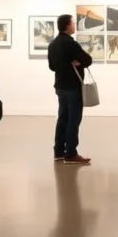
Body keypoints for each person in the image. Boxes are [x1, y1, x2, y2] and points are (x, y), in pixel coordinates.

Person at [47, 14, 93, 165]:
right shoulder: (70, 43)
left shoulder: (53, 44)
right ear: (67, 26)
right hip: (73, 87)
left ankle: (59, 152)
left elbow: (52, 66)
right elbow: (88, 60)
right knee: (73, 120)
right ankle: (71, 153)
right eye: (73, 23)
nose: (74, 25)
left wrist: (66, 65)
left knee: (62, 119)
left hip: (60, 87)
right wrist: (77, 63)